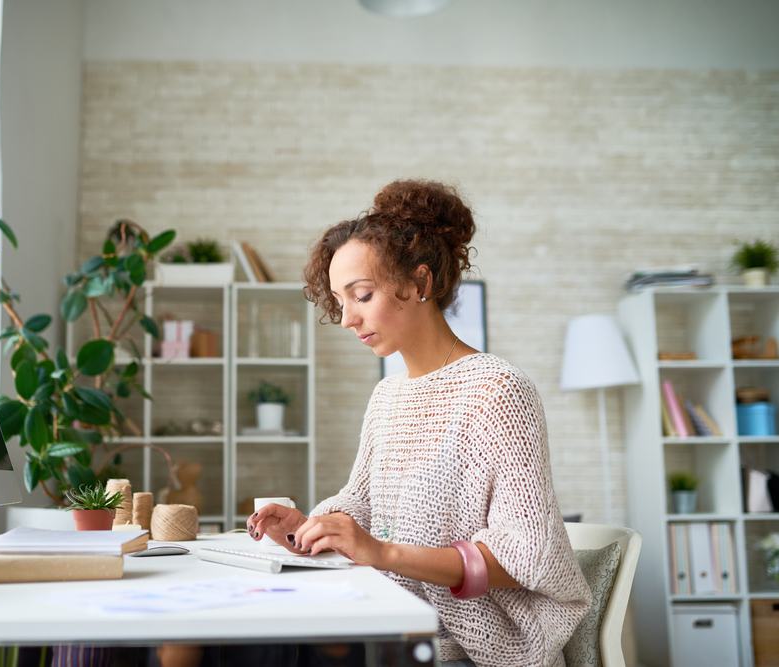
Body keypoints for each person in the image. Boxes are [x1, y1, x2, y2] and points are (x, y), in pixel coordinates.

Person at [248, 179, 591, 667]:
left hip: (478, 653)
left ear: (420, 283)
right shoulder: (388, 396)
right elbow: (364, 505)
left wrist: (383, 553)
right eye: (339, 301)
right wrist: (310, 529)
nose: (346, 319)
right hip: (394, 628)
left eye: (361, 295)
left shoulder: (498, 390)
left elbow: (527, 557)